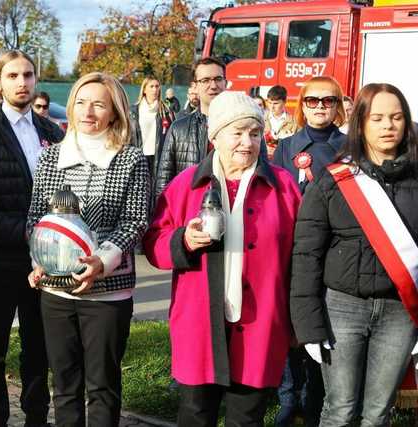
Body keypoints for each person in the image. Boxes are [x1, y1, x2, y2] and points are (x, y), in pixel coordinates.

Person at [144, 91, 301, 426]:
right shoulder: (186, 185)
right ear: (215, 136)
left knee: (247, 418)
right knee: (195, 415)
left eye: (255, 133)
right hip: (199, 325)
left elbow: (303, 257)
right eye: (238, 133)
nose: (247, 142)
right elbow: (154, 244)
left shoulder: (284, 187)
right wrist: (183, 240)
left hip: (261, 326)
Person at [290, 83, 418, 426]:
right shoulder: (333, 180)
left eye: (396, 117)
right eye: (377, 118)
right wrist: (308, 323)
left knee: (378, 413)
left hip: (399, 313)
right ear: (360, 123)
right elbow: (305, 255)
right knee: (340, 409)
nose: (388, 125)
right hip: (342, 309)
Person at [27, 71, 150, 427]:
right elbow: (36, 217)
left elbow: (135, 220)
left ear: (114, 112)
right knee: (64, 386)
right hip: (55, 291)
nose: (88, 111)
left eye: (99, 103)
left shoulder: (130, 160)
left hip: (108, 294)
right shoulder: (50, 159)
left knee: (102, 388)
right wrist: (39, 261)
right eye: (81, 102)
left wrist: (102, 261)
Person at [0, 50, 65, 427]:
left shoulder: (51, 130)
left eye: (28, 75)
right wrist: (23, 230)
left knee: (38, 346)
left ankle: (37, 417)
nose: (22, 82)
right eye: (13, 75)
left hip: (44, 260)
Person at [271, 76, 347, 427]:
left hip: (333, 251)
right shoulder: (286, 148)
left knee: (320, 323)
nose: (320, 106)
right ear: (301, 105)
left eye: (328, 101)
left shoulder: (350, 147)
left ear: (338, 106)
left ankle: (315, 399)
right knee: (289, 321)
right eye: (312, 100)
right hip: (291, 249)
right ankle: (289, 397)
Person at [155, 57, 226, 199]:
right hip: (189, 213)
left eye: (218, 79)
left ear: (226, 83)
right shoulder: (178, 129)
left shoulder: (245, 127)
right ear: (195, 86)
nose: (213, 86)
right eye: (205, 80)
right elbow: (164, 183)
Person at [131, 76, 175, 176]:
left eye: (157, 86)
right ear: (144, 90)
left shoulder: (167, 111)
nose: (155, 89)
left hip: (159, 158)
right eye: (151, 86)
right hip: (139, 157)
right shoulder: (133, 111)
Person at [265, 86, 297, 160]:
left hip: (284, 161)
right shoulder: (261, 119)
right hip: (263, 161)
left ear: (285, 102)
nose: (272, 107)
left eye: (276, 103)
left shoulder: (295, 122)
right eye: (269, 103)